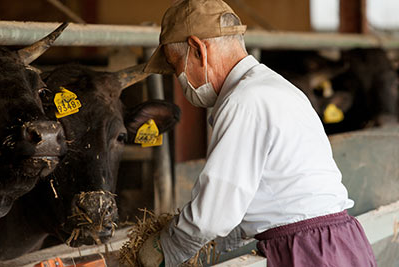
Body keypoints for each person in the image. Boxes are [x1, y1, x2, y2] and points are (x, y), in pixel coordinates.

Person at [139, 0, 377, 266]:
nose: (179, 77)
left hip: (307, 249)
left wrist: (165, 248)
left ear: (198, 50)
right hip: (339, 242)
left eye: (175, 66)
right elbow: (261, 198)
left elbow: (213, 214)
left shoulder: (244, 100)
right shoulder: (276, 88)